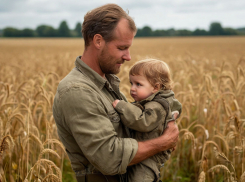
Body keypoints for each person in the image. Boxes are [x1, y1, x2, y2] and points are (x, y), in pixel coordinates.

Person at [52, 3, 179, 182]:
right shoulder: (77, 91)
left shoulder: (106, 82)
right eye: (121, 48)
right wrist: (162, 143)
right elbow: (109, 157)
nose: (128, 57)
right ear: (98, 41)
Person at [112, 59, 182, 182]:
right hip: (145, 152)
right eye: (131, 83)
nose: (132, 88)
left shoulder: (156, 106)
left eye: (138, 84)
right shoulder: (161, 99)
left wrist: (122, 106)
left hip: (148, 158)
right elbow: (176, 106)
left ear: (156, 87)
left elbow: (142, 122)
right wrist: (174, 115)